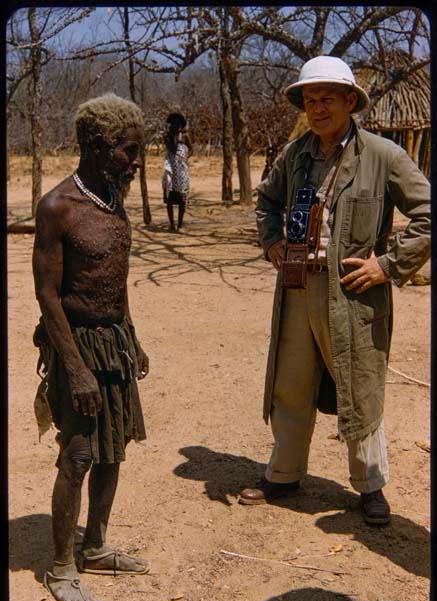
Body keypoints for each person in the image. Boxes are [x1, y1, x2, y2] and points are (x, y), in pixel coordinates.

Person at [239, 56, 430, 525]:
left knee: (359, 385)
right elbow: (265, 201)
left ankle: (370, 486)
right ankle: (283, 474)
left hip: (353, 295)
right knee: (290, 384)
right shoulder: (295, 154)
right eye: (310, 99)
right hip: (298, 287)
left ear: (350, 101)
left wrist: (386, 266)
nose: (317, 107)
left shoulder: (383, 156)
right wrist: (272, 243)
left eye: (327, 98)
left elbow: (428, 216)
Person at [32, 93, 150, 601]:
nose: (138, 161)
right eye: (129, 151)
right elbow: (48, 295)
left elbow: (114, 280)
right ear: (99, 148)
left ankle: (96, 545)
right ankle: (61, 565)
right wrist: (75, 369)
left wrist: (133, 335)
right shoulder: (58, 207)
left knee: (114, 448)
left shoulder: (111, 198)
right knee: (79, 454)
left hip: (114, 344)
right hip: (75, 346)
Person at [162, 112, 192, 231]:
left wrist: (186, 157)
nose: (175, 126)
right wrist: (173, 136)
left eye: (178, 124)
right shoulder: (167, 136)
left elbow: (191, 149)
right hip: (171, 169)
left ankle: (180, 225)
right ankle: (171, 225)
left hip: (182, 171)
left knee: (182, 199)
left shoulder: (185, 137)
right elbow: (172, 148)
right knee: (169, 198)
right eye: (173, 124)